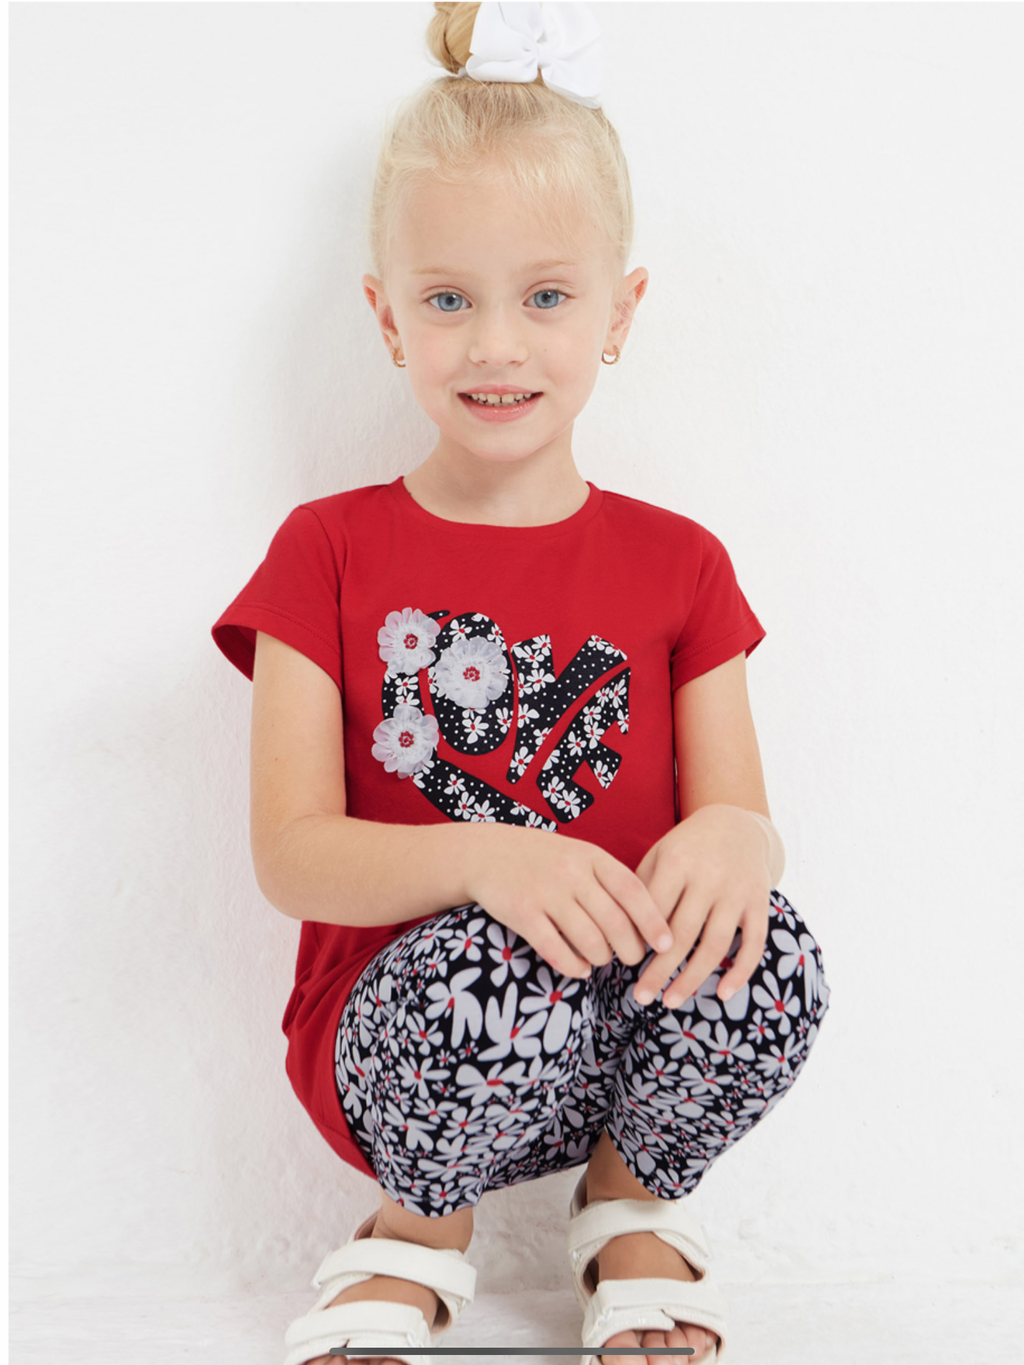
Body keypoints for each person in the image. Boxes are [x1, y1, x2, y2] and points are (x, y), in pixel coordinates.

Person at [211, 5, 831, 1363]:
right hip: (410, 1036)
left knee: (772, 949)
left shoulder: (682, 564)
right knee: (495, 954)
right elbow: (293, 855)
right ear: (387, 317)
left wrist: (738, 842)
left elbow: (742, 821)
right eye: (449, 300)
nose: (497, 343)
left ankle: (630, 1202)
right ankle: (418, 1227)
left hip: (624, 1041)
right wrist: (489, 859)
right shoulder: (327, 549)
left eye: (546, 296)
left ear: (621, 311)